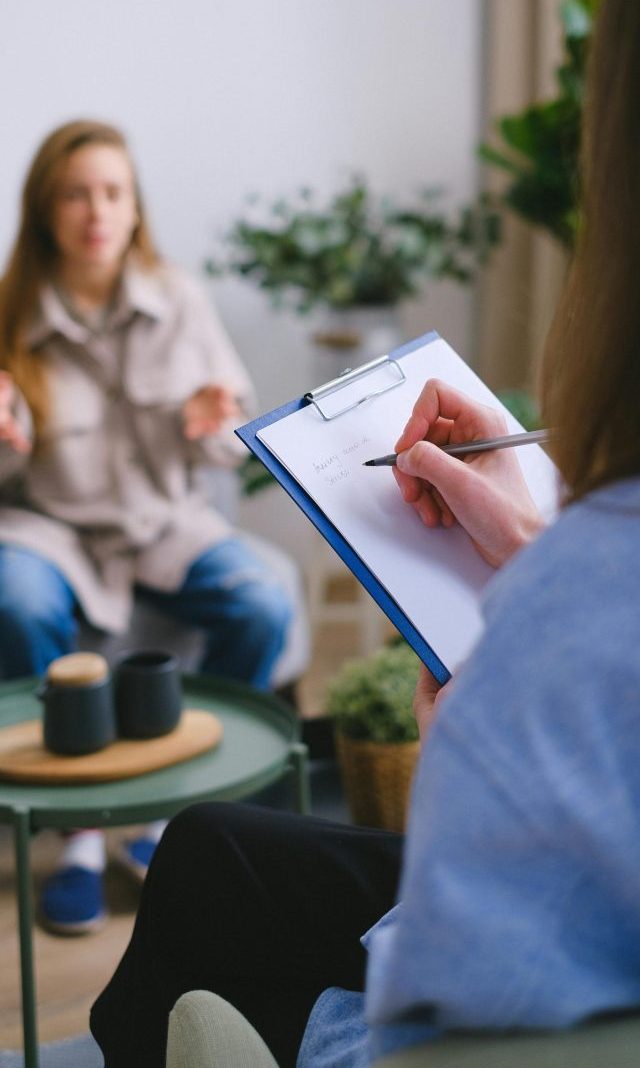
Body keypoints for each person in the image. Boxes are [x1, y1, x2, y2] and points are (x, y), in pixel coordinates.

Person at [90, 1, 640, 1065]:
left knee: (189, 947)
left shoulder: (592, 621)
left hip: (474, 989)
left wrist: (467, 776)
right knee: (210, 845)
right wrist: (531, 540)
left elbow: (424, 1039)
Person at [0, 119, 292, 934]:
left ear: (135, 208)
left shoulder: (182, 299)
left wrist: (209, 430)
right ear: (45, 210)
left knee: (265, 604)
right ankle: (79, 835)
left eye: (112, 192)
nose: (96, 210)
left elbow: (225, 454)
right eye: (75, 193)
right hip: (50, 531)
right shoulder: (8, 310)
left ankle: (179, 822)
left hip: (166, 526)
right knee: (17, 600)